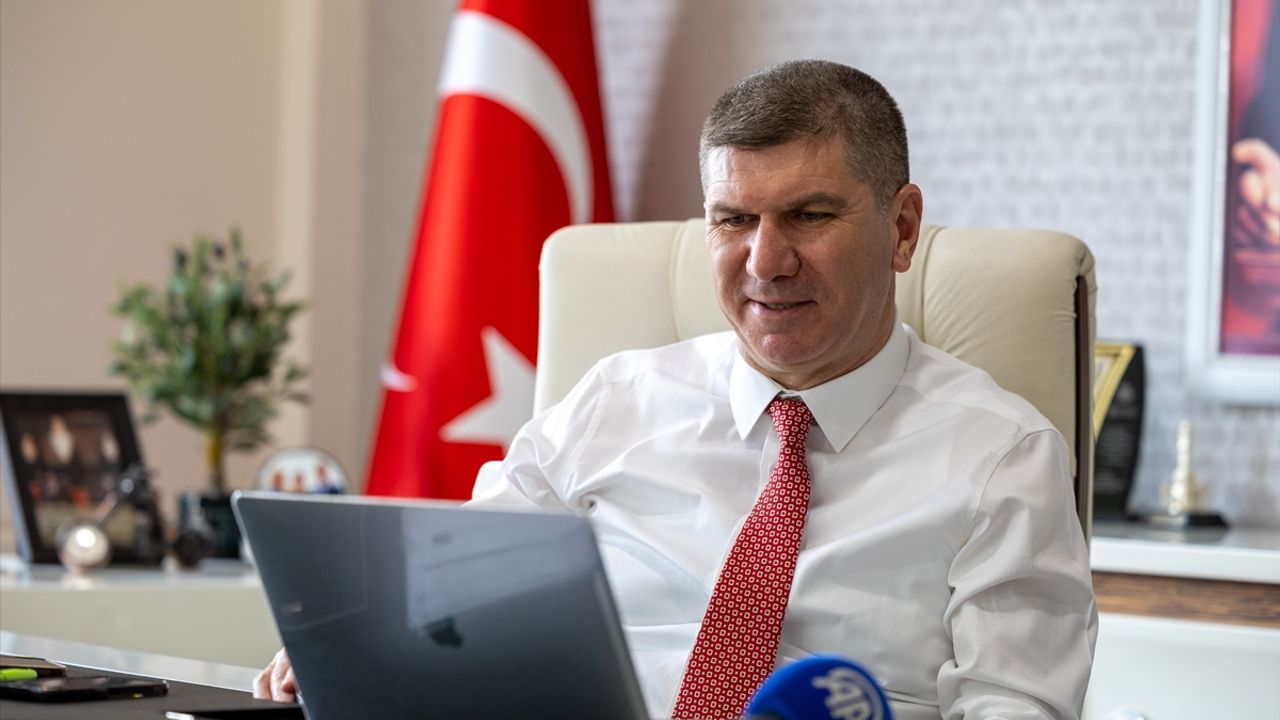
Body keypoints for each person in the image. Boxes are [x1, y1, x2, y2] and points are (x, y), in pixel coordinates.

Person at [256, 59, 1096, 719]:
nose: (766, 261)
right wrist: (357, 644)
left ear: (902, 228)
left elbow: (1014, 708)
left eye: (809, 216)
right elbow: (452, 589)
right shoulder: (615, 399)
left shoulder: (1001, 458)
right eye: (734, 220)